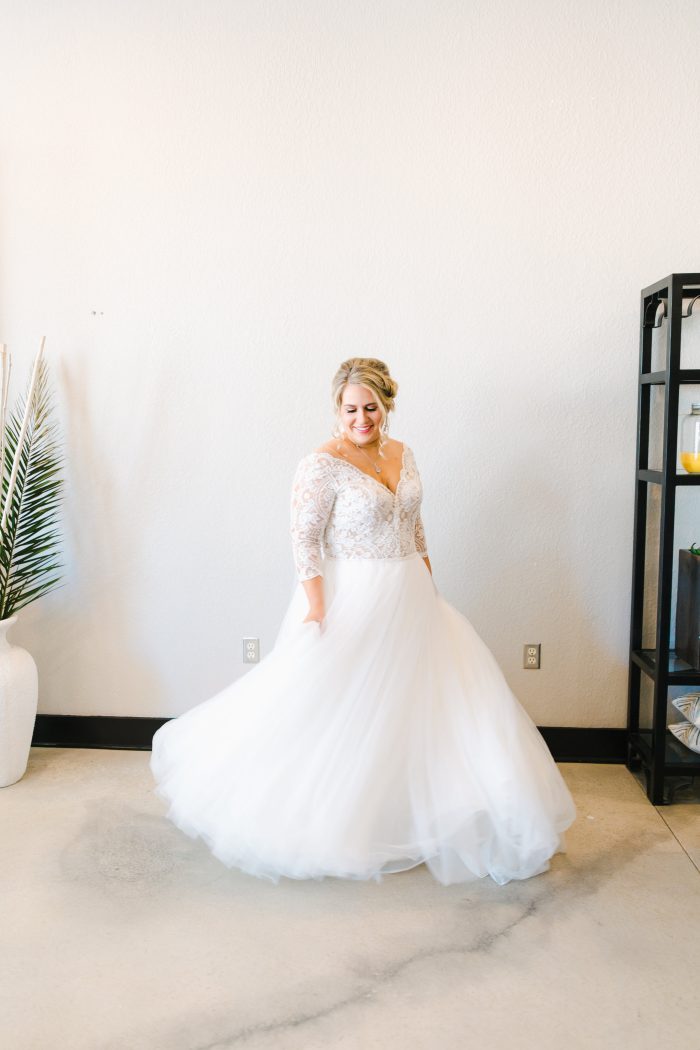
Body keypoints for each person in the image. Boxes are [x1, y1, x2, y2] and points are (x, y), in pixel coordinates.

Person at [150, 357, 577, 886]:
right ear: (337, 409)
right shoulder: (321, 463)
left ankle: (417, 812)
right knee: (340, 710)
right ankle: (339, 820)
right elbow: (303, 538)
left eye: (370, 407)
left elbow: (415, 528)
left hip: (412, 597)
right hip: (353, 597)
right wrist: (316, 604)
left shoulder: (403, 453)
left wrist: (430, 584)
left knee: (420, 706)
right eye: (350, 408)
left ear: (386, 404)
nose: (361, 418)